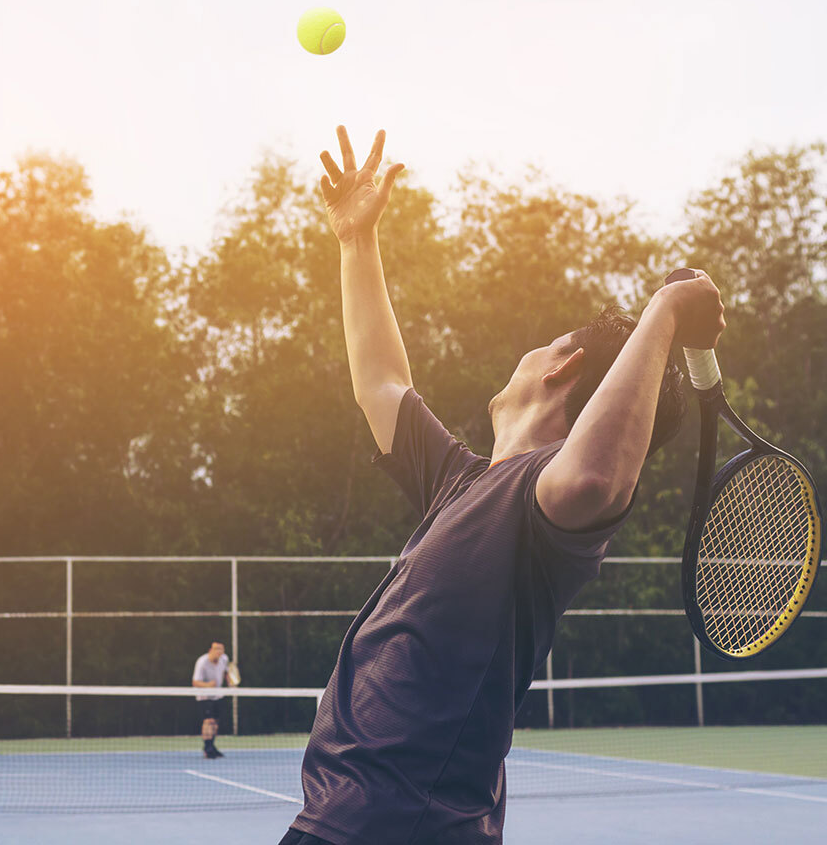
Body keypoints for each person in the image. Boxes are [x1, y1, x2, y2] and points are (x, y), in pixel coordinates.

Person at [278, 127, 724, 845]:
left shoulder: (540, 499)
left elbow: (595, 477)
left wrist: (663, 314)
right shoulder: (462, 480)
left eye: (544, 343)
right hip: (355, 820)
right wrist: (355, 242)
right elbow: (381, 383)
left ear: (561, 368)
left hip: (395, 826)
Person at [192, 640, 230, 759]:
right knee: (209, 721)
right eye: (216, 650)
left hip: (218, 695)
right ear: (210, 650)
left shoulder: (224, 659)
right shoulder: (202, 662)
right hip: (204, 696)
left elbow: (226, 672)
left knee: (216, 722)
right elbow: (195, 682)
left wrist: (230, 682)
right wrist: (208, 685)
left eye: (221, 650)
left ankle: (212, 746)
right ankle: (207, 748)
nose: (219, 652)